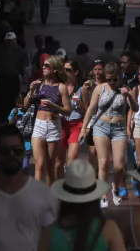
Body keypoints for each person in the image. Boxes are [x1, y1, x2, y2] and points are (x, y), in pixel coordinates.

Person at [81, 62, 131, 208]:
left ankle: (115, 188)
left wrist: (128, 96)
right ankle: (103, 195)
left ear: (119, 78)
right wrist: (84, 128)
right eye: (109, 79)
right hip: (100, 126)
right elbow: (91, 109)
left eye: (114, 79)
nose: (111, 82)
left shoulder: (125, 89)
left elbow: (134, 108)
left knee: (119, 166)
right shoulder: (99, 88)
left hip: (118, 128)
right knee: (103, 162)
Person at [24, 57, 71, 185]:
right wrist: (31, 90)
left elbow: (68, 110)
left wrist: (54, 107)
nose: (43, 67)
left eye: (47, 66)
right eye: (43, 65)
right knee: (39, 164)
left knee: (50, 166)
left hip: (53, 126)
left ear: (55, 69)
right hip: (39, 125)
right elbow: (25, 105)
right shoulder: (39, 84)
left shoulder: (61, 87)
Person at [61, 59, 93, 171]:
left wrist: (79, 105)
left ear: (75, 72)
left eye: (68, 70)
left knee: (72, 157)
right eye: (64, 69)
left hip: (76, 125)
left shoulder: (80, 89)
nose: (65, 72)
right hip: (61, 124)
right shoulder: (60, 86)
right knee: (59, 160)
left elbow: (86, 110)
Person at [0, 31, 30, 125]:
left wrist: (25, 77)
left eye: (11, 41)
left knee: (13, 98)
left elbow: (23, 67)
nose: (10, 43)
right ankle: (1, 116)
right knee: (1, 97)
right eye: (8, 41)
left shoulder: (21, 52)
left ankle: (11, 117)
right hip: (2, 77)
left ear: (15, 41)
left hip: (14, 78)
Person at [8, 96, 37, 170]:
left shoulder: (32, 112)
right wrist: (14, 114)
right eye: (19, 104)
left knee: (25, 163)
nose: (21, 106)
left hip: (27, 141)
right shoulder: (14, 111)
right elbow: (10, 124)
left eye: (22, 103)